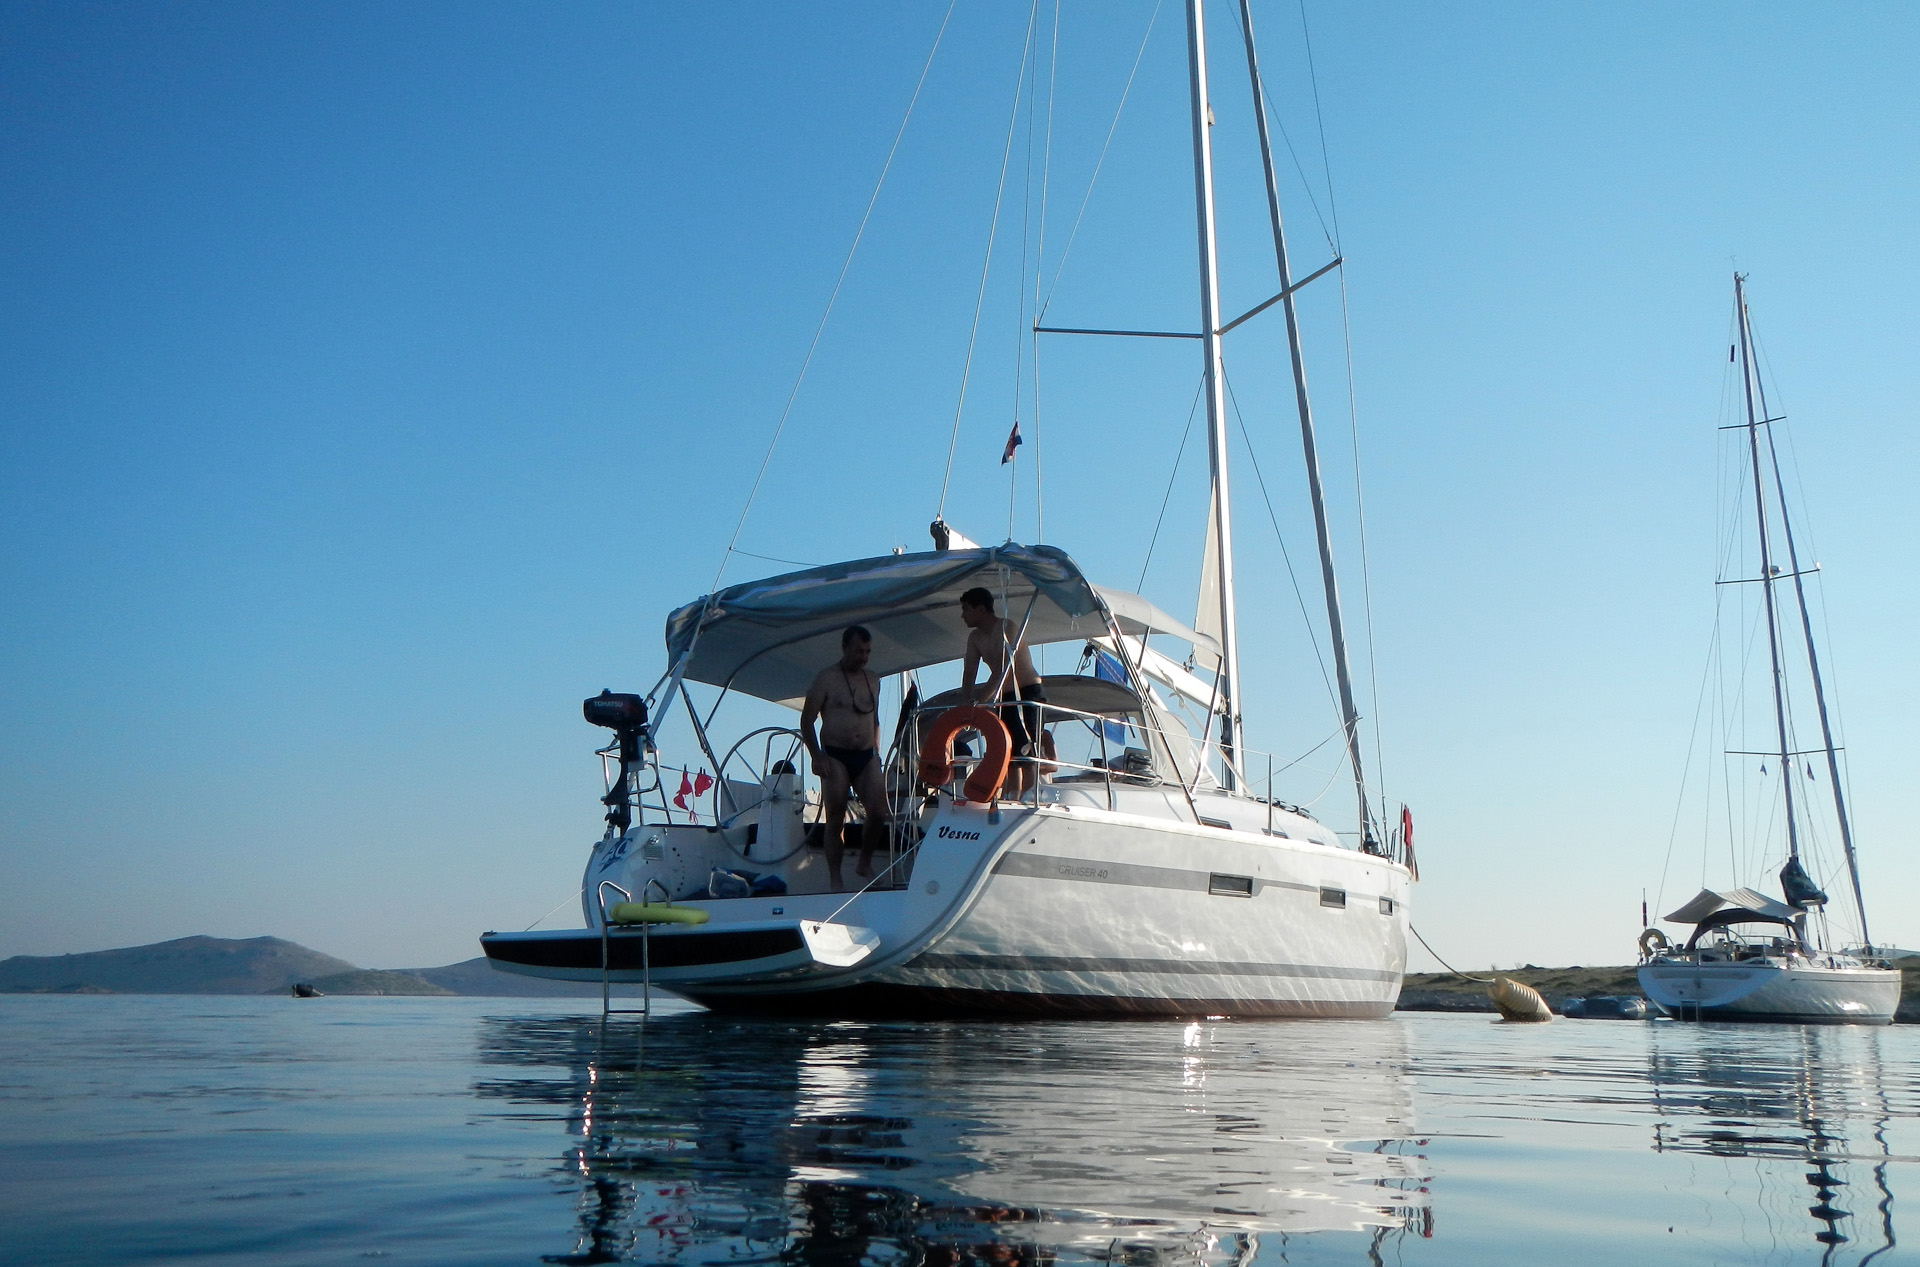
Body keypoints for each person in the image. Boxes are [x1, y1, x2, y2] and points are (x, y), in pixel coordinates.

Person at [800, 626, 890, 890]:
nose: (863, 656)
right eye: (858, 651)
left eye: (867, 652)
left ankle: (864, 862)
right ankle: (835, 878)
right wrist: (816, 756)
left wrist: (876, 749)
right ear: (844, 648)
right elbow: (806, 721)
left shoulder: (873, 679)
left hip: (866, 755)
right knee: (836, 815)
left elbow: (874, 719)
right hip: (835, 755)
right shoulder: (825, 679)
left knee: (878, 812)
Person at [959, 586, 1047, 797]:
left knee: (1026, 750)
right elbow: (969, 672)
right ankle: (1011, 797)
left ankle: (1029, 796)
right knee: (1009, 753)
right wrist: (964, 706)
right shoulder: (975, 638)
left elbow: (1004, 671)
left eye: (965, 609)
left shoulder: (1007, 628)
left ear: (980, 609)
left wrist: (978, 702)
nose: (962, 615)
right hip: (1004, 698)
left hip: (1026, 692)